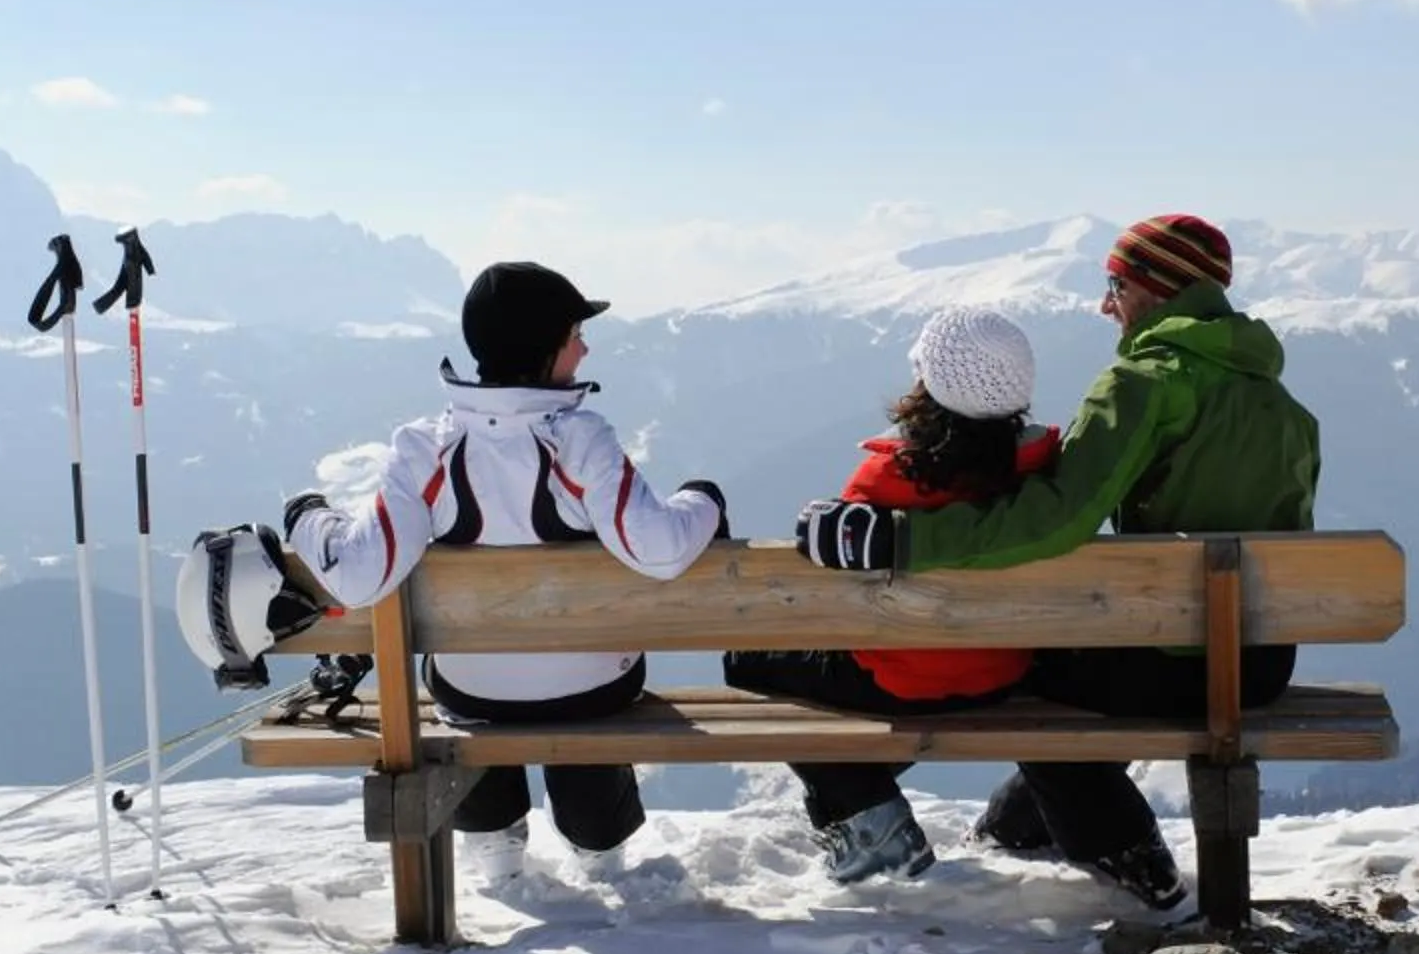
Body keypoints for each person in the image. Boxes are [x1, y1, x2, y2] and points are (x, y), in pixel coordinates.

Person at [792, 215, 1318, 911]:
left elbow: (1058, 516)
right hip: (1259, 667)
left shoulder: (1143, 384)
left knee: (1017, 660)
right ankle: (1020, 828)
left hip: (1171, 665)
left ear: (1158, 290)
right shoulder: (1284, 408)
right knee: (1057, 661)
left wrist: (900, 540)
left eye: (1116, 285)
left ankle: (1116, 840)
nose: (1106, 305)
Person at [281, 261, 729, 863]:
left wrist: (308, 518)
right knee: (584, 679)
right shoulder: (580, 440)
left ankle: (495, 843)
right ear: (546, 347)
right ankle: (601, 846)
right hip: (595, 690)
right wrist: (703, 498)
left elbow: (362, 575)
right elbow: (662, 550)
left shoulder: (424, 449)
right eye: (575, 333)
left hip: (473, 693)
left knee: (468, 686)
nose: (586, 346)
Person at [726, 306, 1054, 884]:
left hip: (898, 683)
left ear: (929, 385)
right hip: (1007, 670)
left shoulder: (884, 484)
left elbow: (834, 594)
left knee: (747, 661)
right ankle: (901, 812)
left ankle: (867, 816)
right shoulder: (1045, 476)